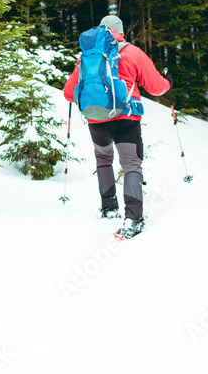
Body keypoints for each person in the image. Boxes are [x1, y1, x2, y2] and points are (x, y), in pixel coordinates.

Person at [63, 15, 172, 238]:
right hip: (126, 118)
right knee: (131, 164)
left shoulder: (87, 55)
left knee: (104, 160)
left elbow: (68, 93)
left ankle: (109, 208)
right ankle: (133, 218)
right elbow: (156, 87)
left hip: (96, 120)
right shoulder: (132, 52)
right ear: (120, 31)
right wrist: (169, 82)